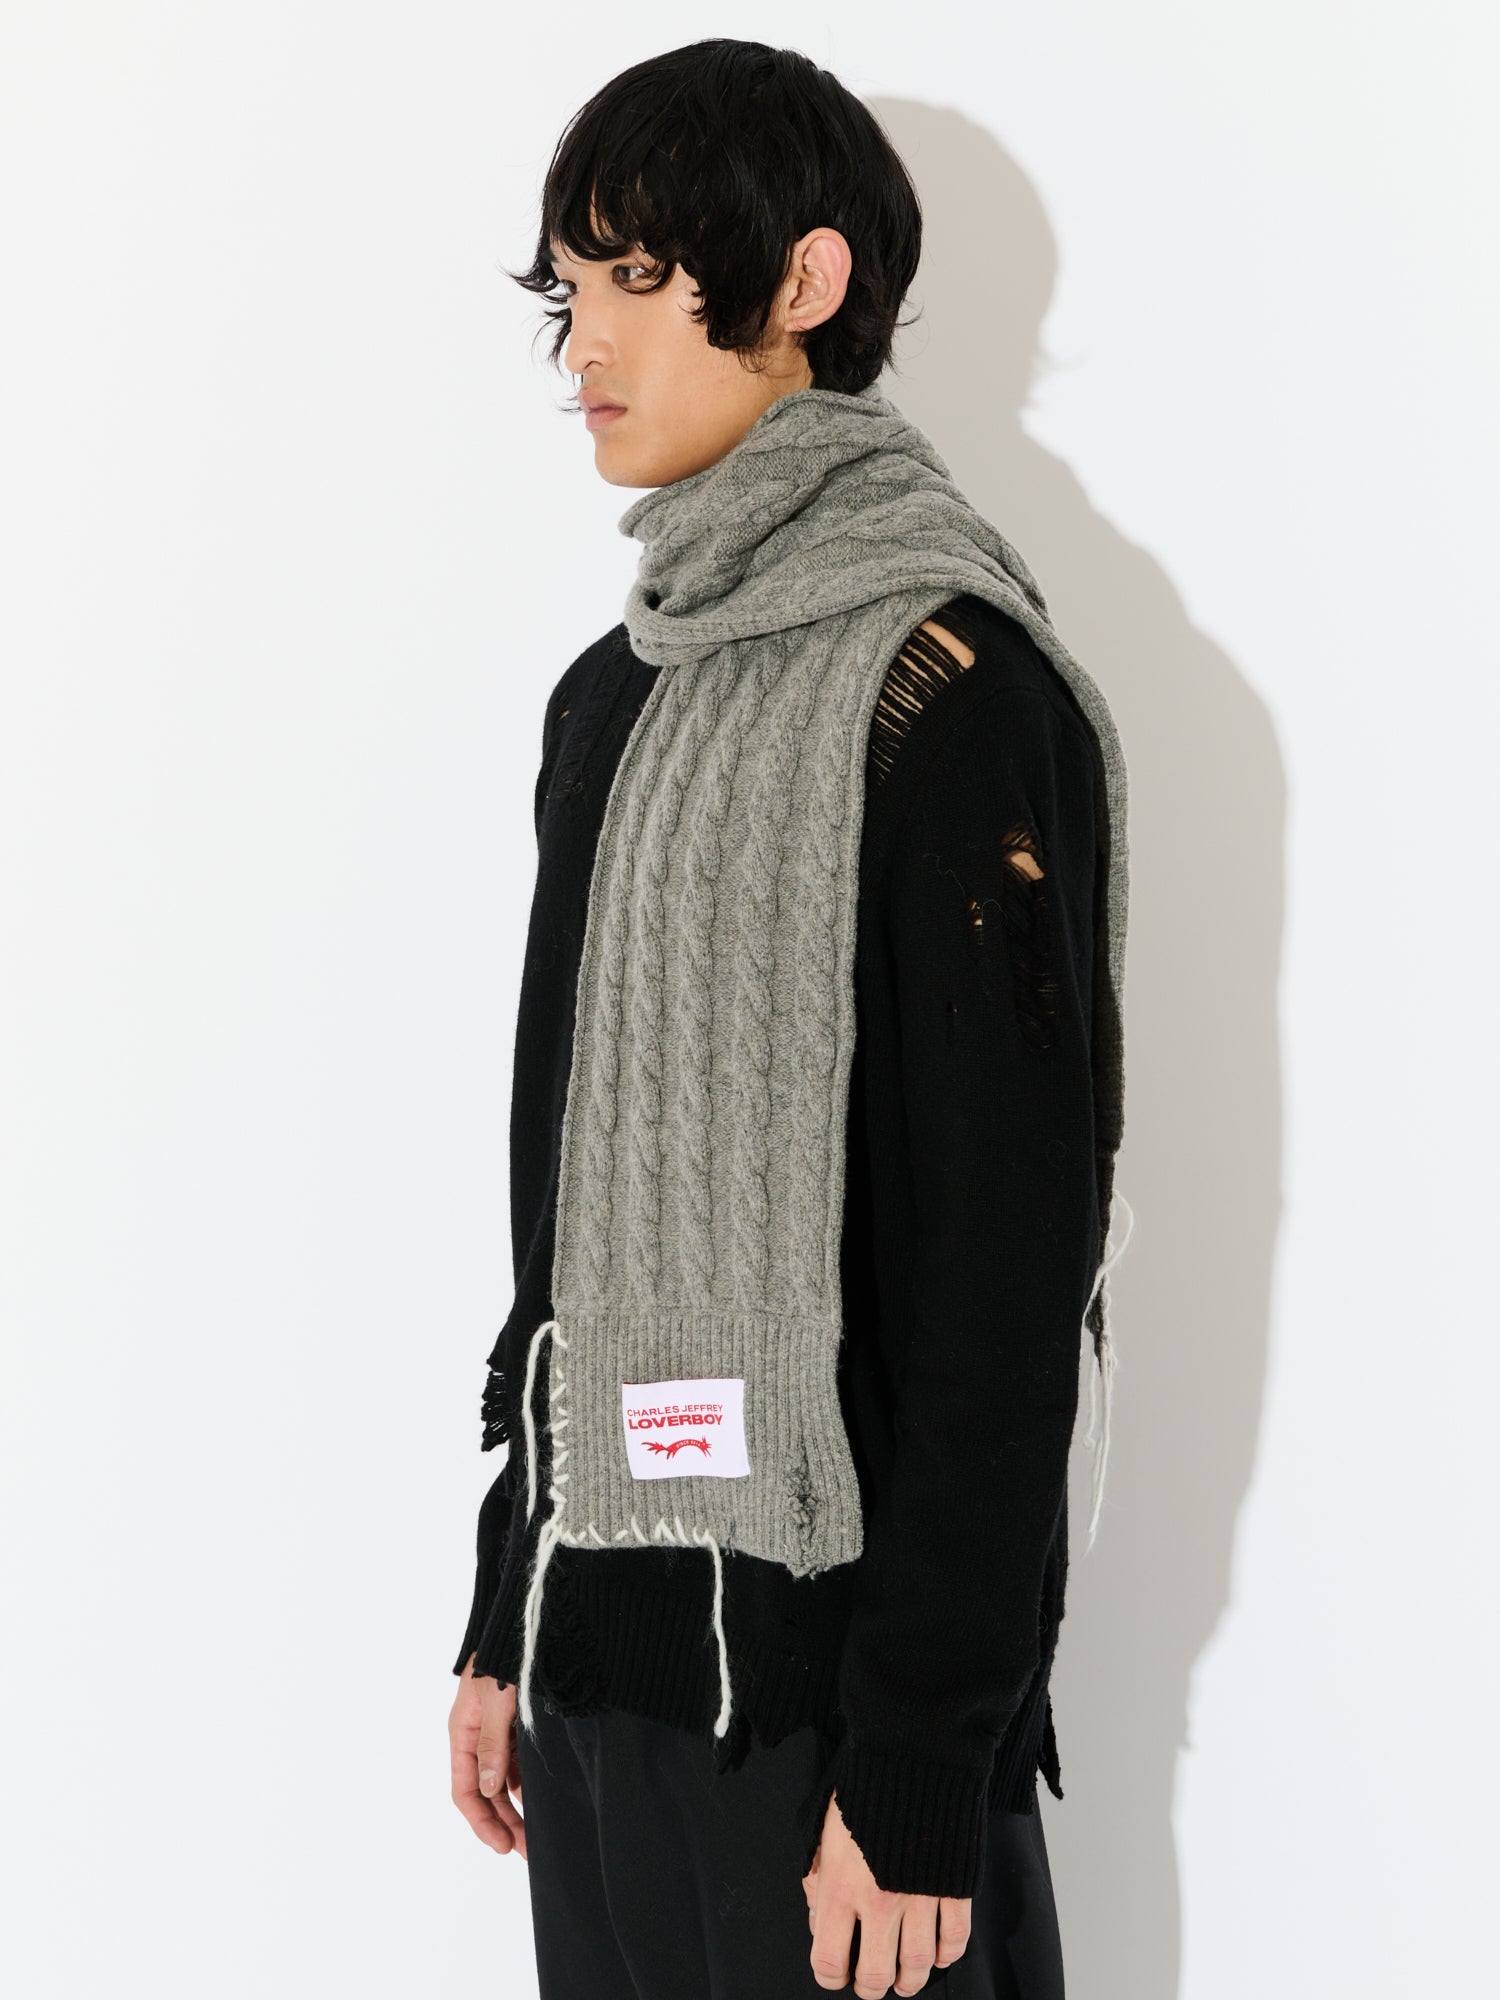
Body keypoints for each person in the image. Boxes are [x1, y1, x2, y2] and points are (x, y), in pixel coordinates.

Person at [446, 38, 1132, 2000]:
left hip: (840, 1721)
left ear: (805, 280)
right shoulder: (616, 698)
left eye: (638, 275)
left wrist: (924, 1759)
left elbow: (1013, 1269)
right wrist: (509, 1606)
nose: (585, 339)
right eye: (570, 288)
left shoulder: (954, 691)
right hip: (603, 1672)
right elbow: (562, 1227)